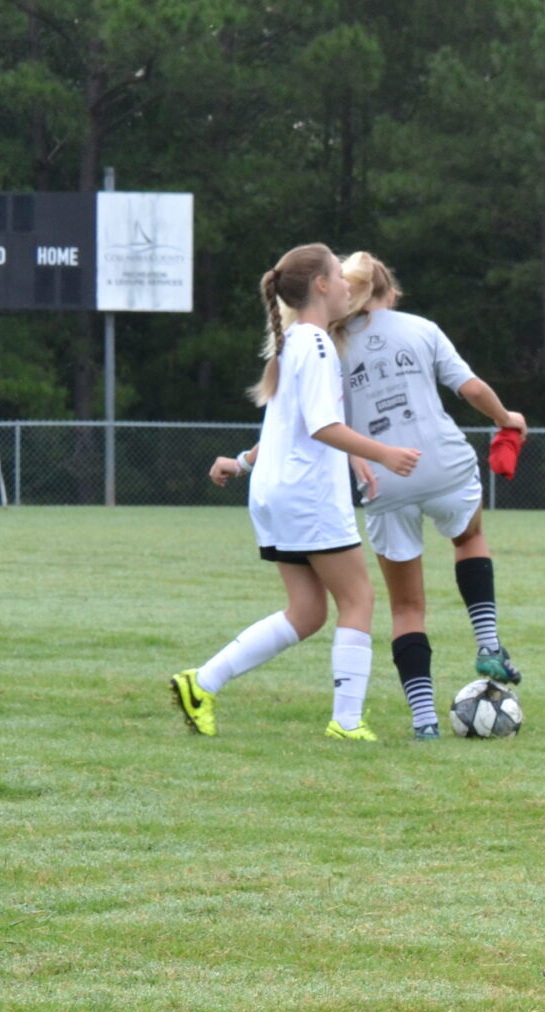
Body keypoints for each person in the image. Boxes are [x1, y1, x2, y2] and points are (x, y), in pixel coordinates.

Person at [170, 243, 420, 741]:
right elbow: (322, 424)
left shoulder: (297, 342)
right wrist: (380, 453)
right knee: (359, 598)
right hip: (308, 496)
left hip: (274, 493)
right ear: (322, 286)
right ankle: (346, 722)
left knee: (307, 613)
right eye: (338, 275)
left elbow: (288, 429)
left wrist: (240, 462)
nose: (348, 283)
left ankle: (202, 683)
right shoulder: (318, 344)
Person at [333, 252, 528, 738]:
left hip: (383, 475)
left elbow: (327, 419)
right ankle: (488, 644)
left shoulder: (331, 344)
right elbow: (471, 388)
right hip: (441, 462)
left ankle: (424, 723)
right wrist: (506, 420)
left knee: (406, 608)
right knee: (468, 538)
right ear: (391, 291)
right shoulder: (421, 328)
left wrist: (358, 458)